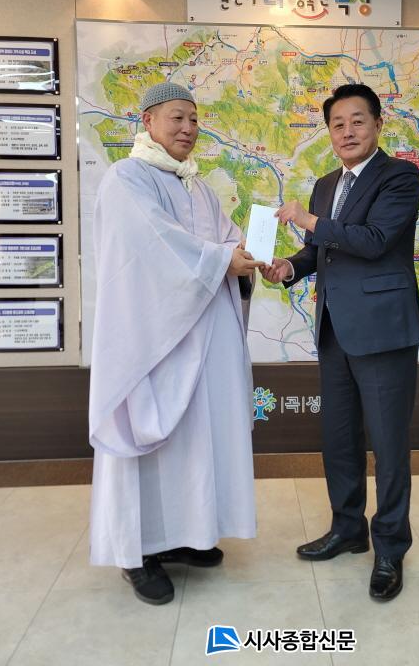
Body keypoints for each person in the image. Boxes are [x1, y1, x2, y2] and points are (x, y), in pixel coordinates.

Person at [88, 82, 262, 605]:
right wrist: (221, 260)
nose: (188, 129)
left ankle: (184, 534)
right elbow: (153, 247)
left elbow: (225, 240)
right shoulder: (127, 178)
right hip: (153, 345)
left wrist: (249, 255)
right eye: (177, 118)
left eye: (194, 119)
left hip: (202, 342)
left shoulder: (198, 186)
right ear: (148, 121)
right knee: (149, 441)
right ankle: (136, 553)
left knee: (195, 438)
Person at [261, 83, 419, 602]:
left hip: (384, 330)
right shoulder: (326, 184)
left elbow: (374, 242)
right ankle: (348, 528)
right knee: (339, 439)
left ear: (377, 124)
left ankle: (391, 547)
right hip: (334, 329)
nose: (347, 131)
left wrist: (308, 220)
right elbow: (320, 250)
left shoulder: (400, 176)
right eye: (337, 123)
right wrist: (289, 267)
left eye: (358, 120)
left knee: (389, 445)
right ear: (329, 132)